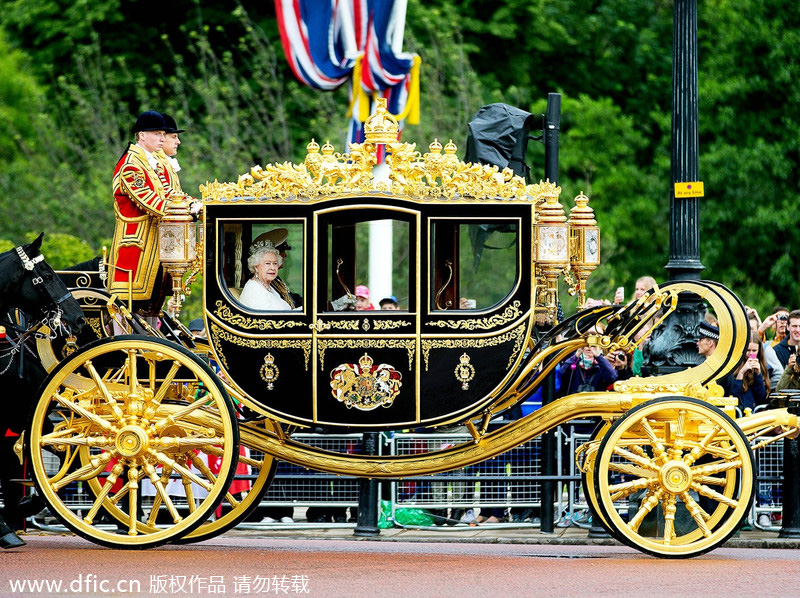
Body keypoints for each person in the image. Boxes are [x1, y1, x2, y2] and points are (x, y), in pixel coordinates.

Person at [108, 110, 201, 316]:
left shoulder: (151, 163)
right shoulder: (131, 165)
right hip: (136, 246)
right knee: (128, 304)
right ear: (142, 135)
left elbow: (171, 195)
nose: (162, 138)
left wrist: (195, 204)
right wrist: (188, 209)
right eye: (157, 133)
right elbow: (153, 204)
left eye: (163, 134)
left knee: (152, 305)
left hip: (155, 245)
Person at [238, 240, 296, 310]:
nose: (272, 268)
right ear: (256, 267)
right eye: (267, 263)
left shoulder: (268, 286)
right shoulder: (253, 290)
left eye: (275, 263)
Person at [729, 333, 770, 413]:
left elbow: (762, 398)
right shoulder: (734, 365)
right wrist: (741, 373)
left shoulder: (763, 366)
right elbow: (733, 396)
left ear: (759, 351)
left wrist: (758, 375)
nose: (751, 353)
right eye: (748, 350)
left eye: (754, 351)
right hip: (740, 412)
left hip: (756, 413)